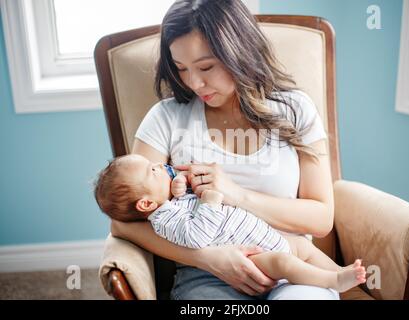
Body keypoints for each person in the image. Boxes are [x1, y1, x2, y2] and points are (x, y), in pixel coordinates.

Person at [110, 0, 341, 299]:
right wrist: (208, 259)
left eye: (206, 66)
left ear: (240, 52)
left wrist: (238, 195)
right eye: (181, 68)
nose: (194, 82)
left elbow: (321, 218)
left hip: (292, 267)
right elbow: (123, 222)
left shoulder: (295, 109)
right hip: (207, 277)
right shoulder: (166, 118)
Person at [95, 154, 366, 293]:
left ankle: (345, 279)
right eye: (151, 171)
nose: (159, 166)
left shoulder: (170, 202)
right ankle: (332, 280)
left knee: (301, 248)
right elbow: (196, 235)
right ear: (145, 205)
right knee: (286, 264)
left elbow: (183, 203)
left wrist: (179, 186)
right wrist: (210, 200)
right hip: (252, 257)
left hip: (266, 236)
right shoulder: (163, 219)